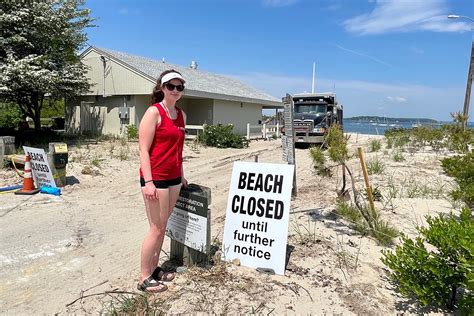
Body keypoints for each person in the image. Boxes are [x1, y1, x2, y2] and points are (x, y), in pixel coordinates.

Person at [137, 69, 188, 292]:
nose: (175, 90)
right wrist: (148, 182)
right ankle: (144, 276)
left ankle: (155, 268)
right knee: (156, 228)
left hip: (174, 178)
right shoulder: (154, 112)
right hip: (155, 178)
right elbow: (143, 150)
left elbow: (179, 149)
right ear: (162, 88)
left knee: (162, 226)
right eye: (171, 86)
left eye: (179, 87)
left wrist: (182, 174)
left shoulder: (182, 115)